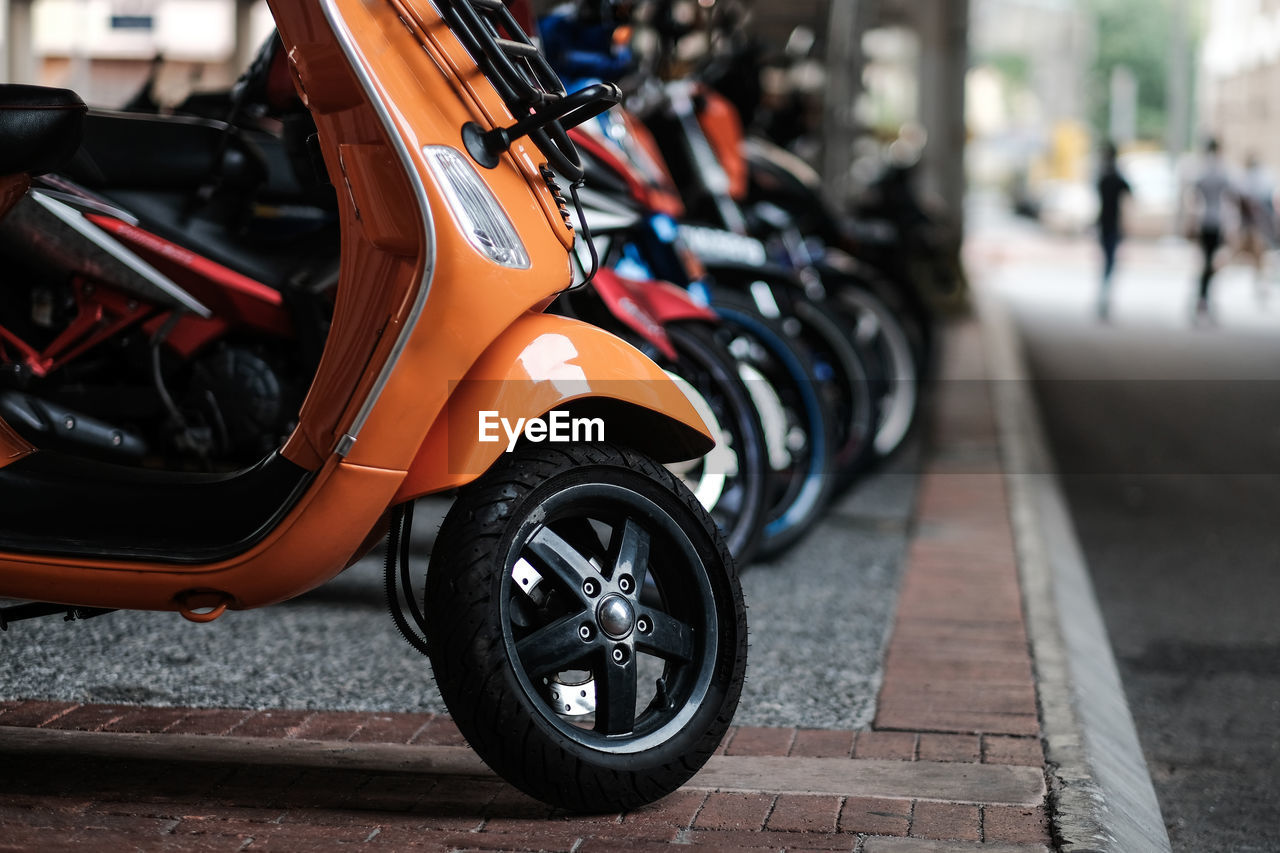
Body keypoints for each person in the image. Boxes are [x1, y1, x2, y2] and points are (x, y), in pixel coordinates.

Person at [1187, 138, 1236, 319]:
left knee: (1207, 261)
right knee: (1211, 262)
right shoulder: (1222, 170)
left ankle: (1203, 297)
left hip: (1204, 220)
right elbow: (1231, 198)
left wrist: (1192, 221)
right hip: (1216, 221)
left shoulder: (1202, 169)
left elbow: (1194, 197)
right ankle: (1203, 298)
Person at [1095, 141, 1130, 320]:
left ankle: (1104, 296)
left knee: (1107, 262)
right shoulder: (1116, 176)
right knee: (1109, 262)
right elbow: (1129, 194)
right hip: (1112, 223)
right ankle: (1105, 296)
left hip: (1104, 223)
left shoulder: (1103, 176)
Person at [1236, 153, 1275, 299]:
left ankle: (1260, 285)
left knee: (1257, 257)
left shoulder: (1248, 180)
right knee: (1257, 257)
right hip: (1256, 226)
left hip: (1251, 226)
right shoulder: (1263, 179)